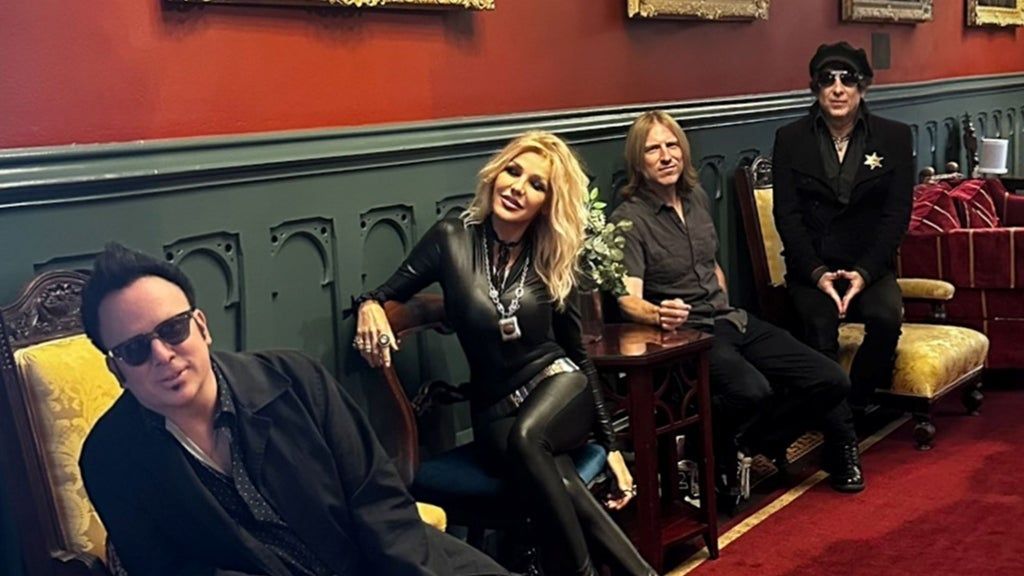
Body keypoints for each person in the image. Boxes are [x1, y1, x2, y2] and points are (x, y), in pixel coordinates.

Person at [78, 243, 511, 576]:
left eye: (173, 329)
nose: (163, 356)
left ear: (202, 326)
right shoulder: (109, 459)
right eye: (135, 349)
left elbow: (379, 503)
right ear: (116, 369)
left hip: (389, 563)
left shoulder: (296, 379)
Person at [355, 131, 657, 576]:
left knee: (528, 439)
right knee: (558, 475)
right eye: (513, 171)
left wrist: (610, 445)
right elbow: (384, 292)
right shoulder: (451, 237)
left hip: (557, 386)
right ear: (496, 173)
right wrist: (369, 306)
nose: (517, 187)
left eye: (536, 185)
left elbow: (576, 352)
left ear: (547, 204)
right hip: (494, 409)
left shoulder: (552, 255)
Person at [610, 111, 864, 496]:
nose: (666, 156)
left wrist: (722, 298)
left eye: (672, 145)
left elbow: (712, 265)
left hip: (732, 319)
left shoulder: (696, 198)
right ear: (637, 161)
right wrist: (659, 313)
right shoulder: (629, 220)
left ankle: (748, 443)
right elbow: (627, 299)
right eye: (653, 149)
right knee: (752, 391)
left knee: (831, 379)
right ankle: (716, 450)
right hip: (690, 334)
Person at [772, 41, 913, 408]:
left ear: (862, 87)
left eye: (847, 79)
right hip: (812, 269)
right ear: (815, 87)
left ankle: (856, 404)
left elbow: (896, 216)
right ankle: (833, 416)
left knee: (886, 319)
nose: (837, 89)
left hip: (871, 268)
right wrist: (817, 273)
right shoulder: (789, 139)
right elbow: (787, 216)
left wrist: (864, 273)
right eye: (827, 79)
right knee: (818, 328)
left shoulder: (895, 137)